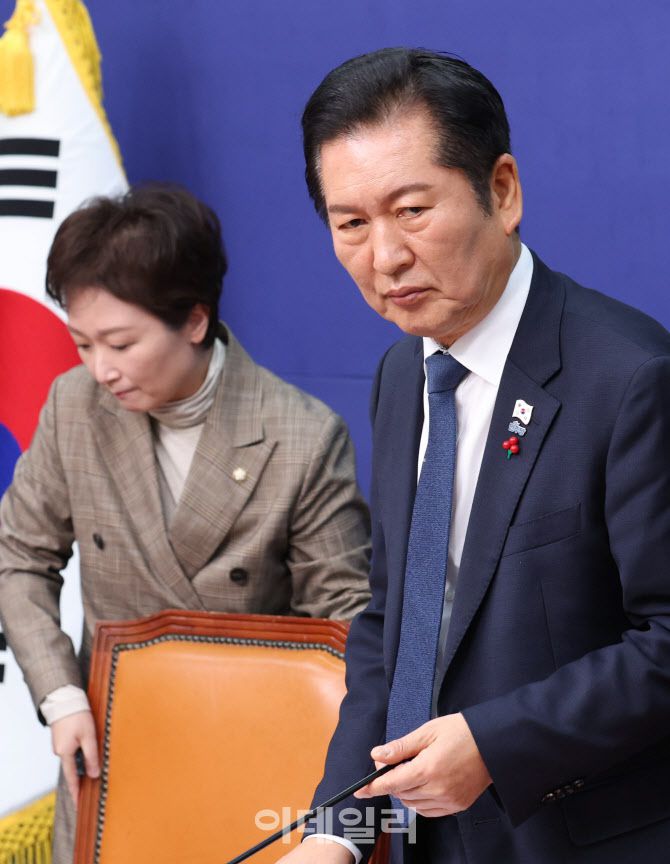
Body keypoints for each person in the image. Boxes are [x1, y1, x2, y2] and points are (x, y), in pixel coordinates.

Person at [276, 48, 670, 864]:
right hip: (430, 842)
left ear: (503, 191)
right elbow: (394, 624)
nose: (384, 256)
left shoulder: (631, 378)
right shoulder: (403, 374)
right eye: (351, 225)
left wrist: (497, 744)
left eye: (411, 210)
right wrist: (338, 832)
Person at [0, 183, 371, 864]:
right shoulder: (72, 406)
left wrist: (337, 817)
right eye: (82, 343)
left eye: (120, 343)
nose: (101, 370)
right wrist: (61, 697)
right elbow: (18, 558)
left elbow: (345, 631)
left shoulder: (302, 436)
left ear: (195, 321)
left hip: (254, 759)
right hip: (109, 755)